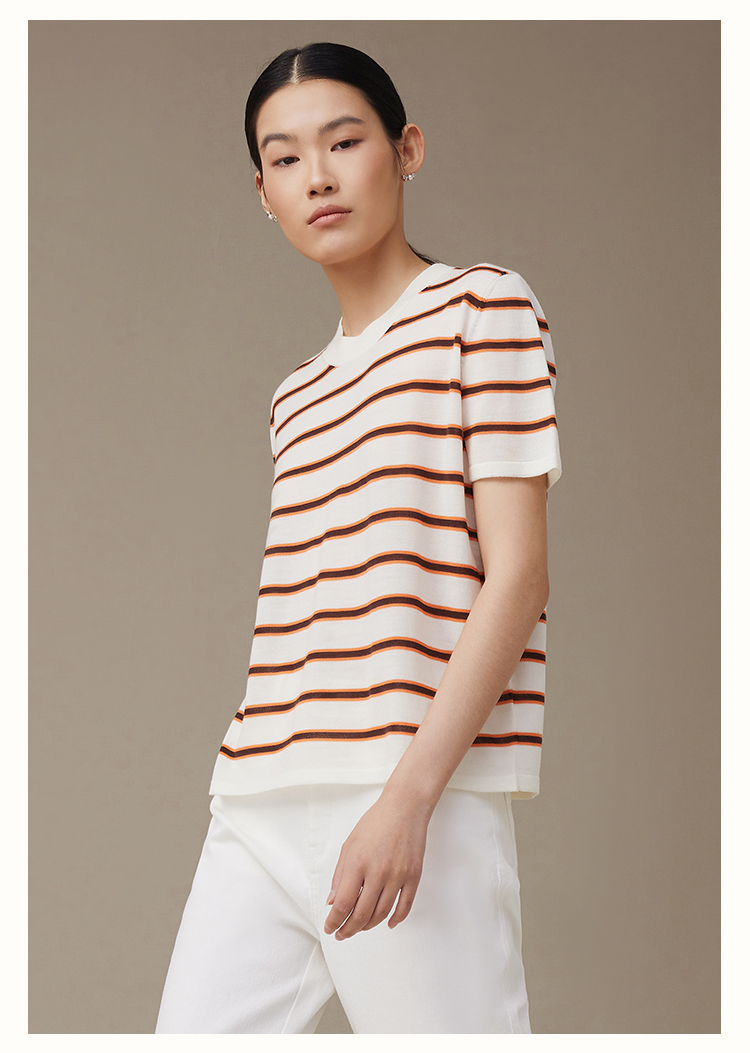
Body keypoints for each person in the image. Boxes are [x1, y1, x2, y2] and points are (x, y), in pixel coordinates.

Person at [154, 41, 562, 1035]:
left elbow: (517, 576)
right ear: (263, 193)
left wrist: (408, 799)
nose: (318, 177)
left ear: (405, 148)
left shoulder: (483, 307)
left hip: (412, 787)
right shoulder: (294, 395)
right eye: (285, 158)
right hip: (257, 794)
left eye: (343, 142)